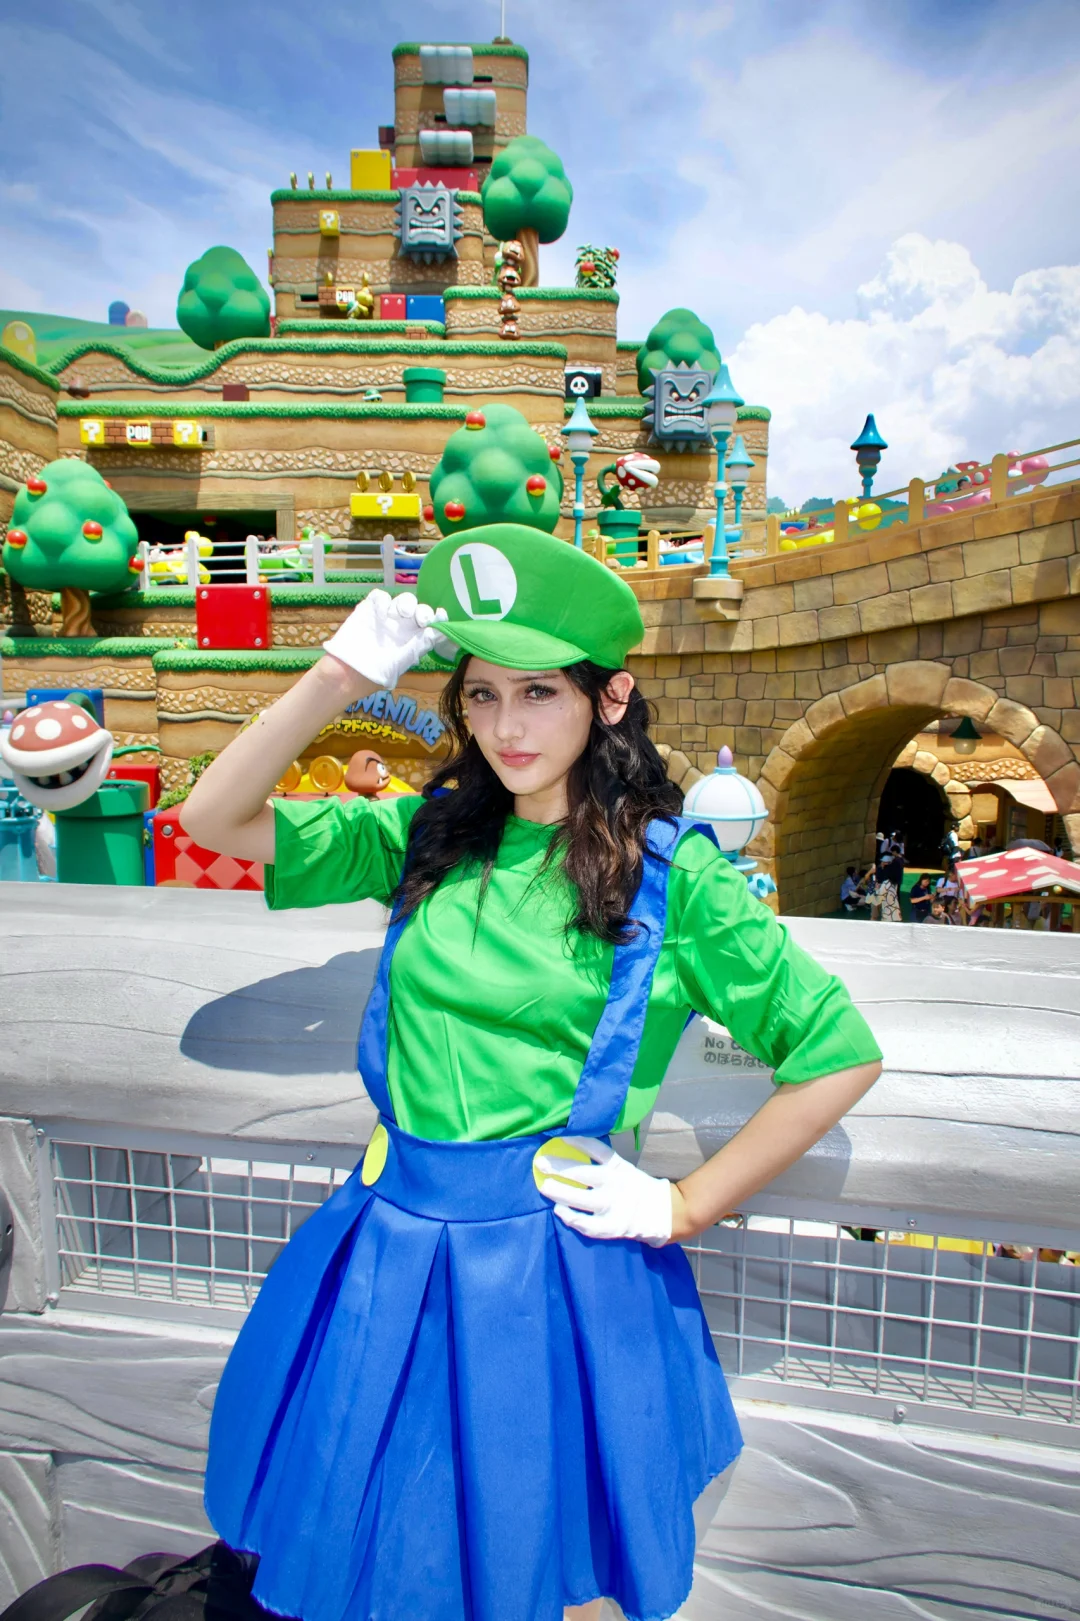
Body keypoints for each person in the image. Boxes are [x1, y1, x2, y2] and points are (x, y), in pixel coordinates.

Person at [180, 525, 883, 1621]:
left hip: (551, 1272)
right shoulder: (426, 836)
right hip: (387, 1249)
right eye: (483, 695)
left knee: (531, 1564)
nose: (507, 728)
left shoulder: (675, 880)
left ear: (610, 698)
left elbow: (838, 1052)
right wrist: (339, 676)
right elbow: (210, 817)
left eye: (540, 693)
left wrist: (687, 1204)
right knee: (374, 1553)